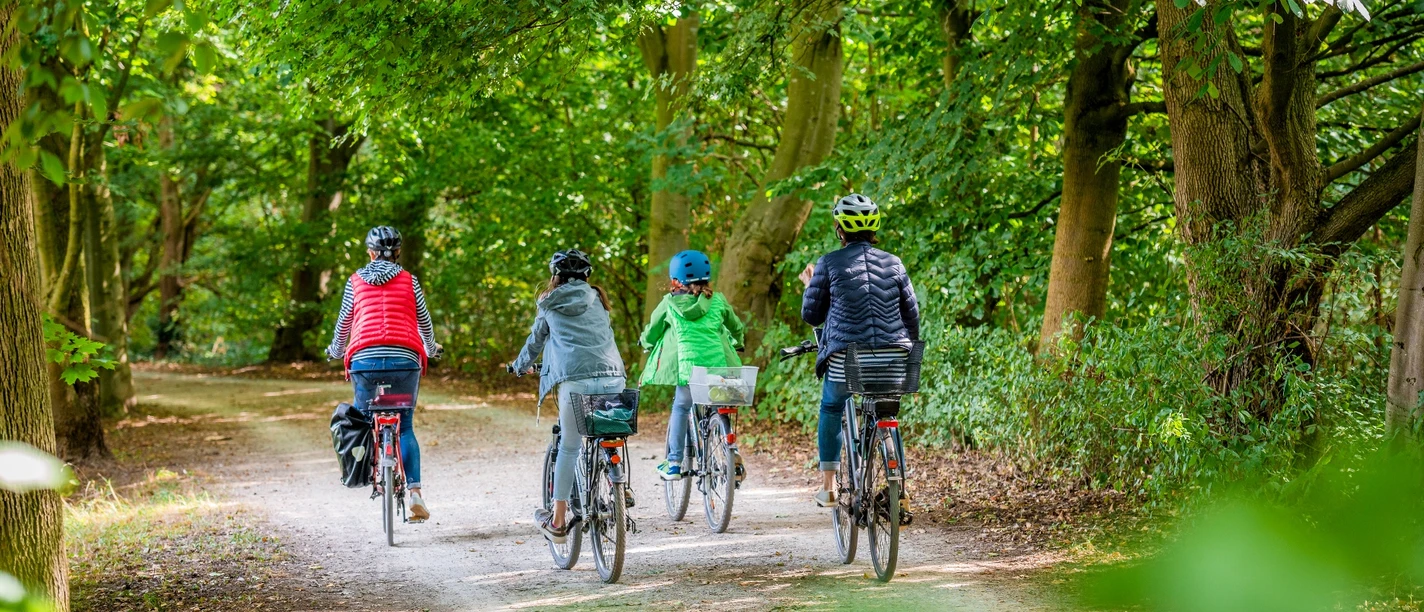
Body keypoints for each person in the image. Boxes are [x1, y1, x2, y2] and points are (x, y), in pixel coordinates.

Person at [799, 194, 920, 507]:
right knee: (886, 413)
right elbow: (912, 316)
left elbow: (812, 315)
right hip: (895, 359)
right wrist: (905, 351)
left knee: (831, 406)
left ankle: (827, 486)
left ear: (840, 229)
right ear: (874, 227)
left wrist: (809, 286)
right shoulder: (894, 263)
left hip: (847, 359)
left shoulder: (827, 263)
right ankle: (901, 493)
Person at [510, 249, 627, 544]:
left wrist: (518, 366)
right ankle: (620, 487)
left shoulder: (549, 303)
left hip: (576, 383)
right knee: (612, 434)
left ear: (555, 276)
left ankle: (558, 521)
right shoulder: (599, 300)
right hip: (614, 378)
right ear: (587, 276)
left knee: (569, 448)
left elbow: (535, 342)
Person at [326, 226, 443, 521]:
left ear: (369, 252)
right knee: (404, 426)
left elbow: (343, 325)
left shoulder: (355, 281)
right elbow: (424, 323)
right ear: (398, 253)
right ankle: (415, 492)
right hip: (405, 361)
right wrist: (431, 348)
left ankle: (371, 471)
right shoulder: (410, 281)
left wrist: (335, 351)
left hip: (364, 362)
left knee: (366, 422)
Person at [639, 250, 747, 481]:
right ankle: (732, 451)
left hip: (690, 372)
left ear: (676, 281)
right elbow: (736, 326)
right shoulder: (717, 300)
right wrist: (738, 342)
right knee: (720, 406)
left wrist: (645, 343)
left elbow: (653, 330)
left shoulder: (669, 303)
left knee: (681, 406)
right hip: (720, 371)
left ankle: (675, 463)